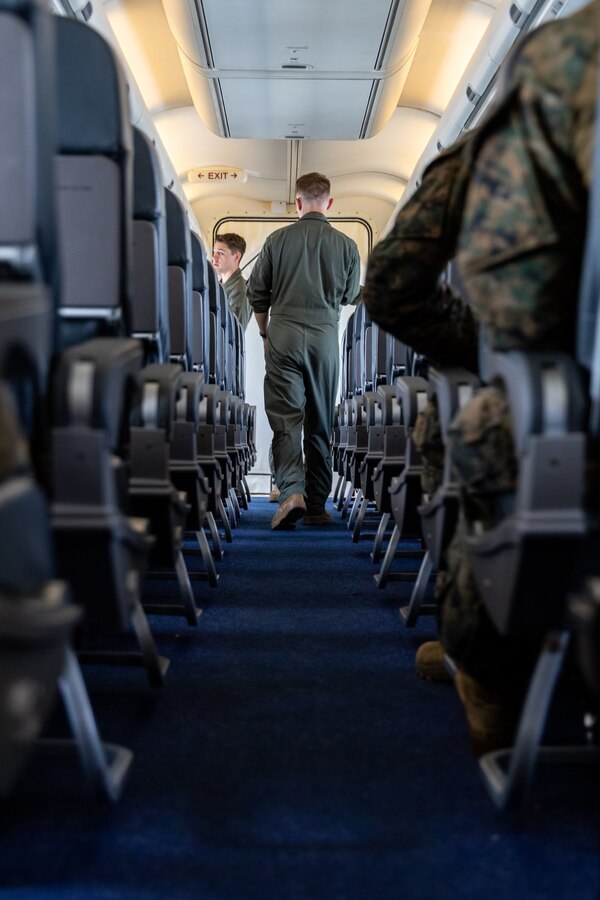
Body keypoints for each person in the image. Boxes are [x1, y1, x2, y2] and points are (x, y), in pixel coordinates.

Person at [362, 0, 599, 754]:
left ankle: (487, 670)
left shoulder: (557, 65)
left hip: (566, 417)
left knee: (463, 418)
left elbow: (393, 282)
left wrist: (483, 347)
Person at [247, 172, 361, 530]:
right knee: (320, 422)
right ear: (328, 203)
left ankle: (291, 491)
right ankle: (315, 504)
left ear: (297, 203)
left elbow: (257, 294)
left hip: (283, 333)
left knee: (286, 420)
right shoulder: (347, 246)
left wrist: (266, 333)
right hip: (325, 336)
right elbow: (348, 295)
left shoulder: (276, 240)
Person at [212, 233, 252, 331]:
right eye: (214, 252)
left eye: (221, 253)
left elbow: (234, 334)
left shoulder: (240, 290)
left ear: (236, 257)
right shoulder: (220, 286)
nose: (214, 257)